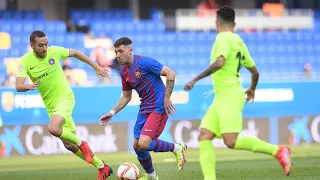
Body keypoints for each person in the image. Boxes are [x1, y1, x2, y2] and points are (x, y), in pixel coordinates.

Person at [183, 6, 291, 180]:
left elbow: (219, 62)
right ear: (234, 23)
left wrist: (195, 79)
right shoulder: (238, 41)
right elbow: (255, 72)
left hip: (229, 95)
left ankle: (278, 151)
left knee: (230, 141)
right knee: (205, 135)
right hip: (223, 96)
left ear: (217, 23)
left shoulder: (222, 38)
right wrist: (252, 89)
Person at [15, 30, 112, 180]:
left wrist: (96, 66)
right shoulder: (25, 61)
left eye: (46, 44)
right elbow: (18, 86)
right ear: (32, 45)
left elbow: (76, 53)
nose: (45, 48)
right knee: (69, 145)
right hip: (51, 105)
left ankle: (83, 143)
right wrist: (29, 86)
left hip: (65, 98)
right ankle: (102, 167)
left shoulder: (55, 52)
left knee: (53, 128)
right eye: (41, 45)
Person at [99, 37, 187, 180]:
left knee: (144, 143)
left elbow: (171, 73)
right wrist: (112, 112)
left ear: (130, 50)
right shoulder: (124, 72)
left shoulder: (144, 62)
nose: (118, 55)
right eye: (116, 52)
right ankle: (152, 176)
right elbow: (126, 96)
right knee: (137, 145)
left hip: (158, 106)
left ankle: (177, 148)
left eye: (121, 51)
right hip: (144, 108)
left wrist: (166, 98)